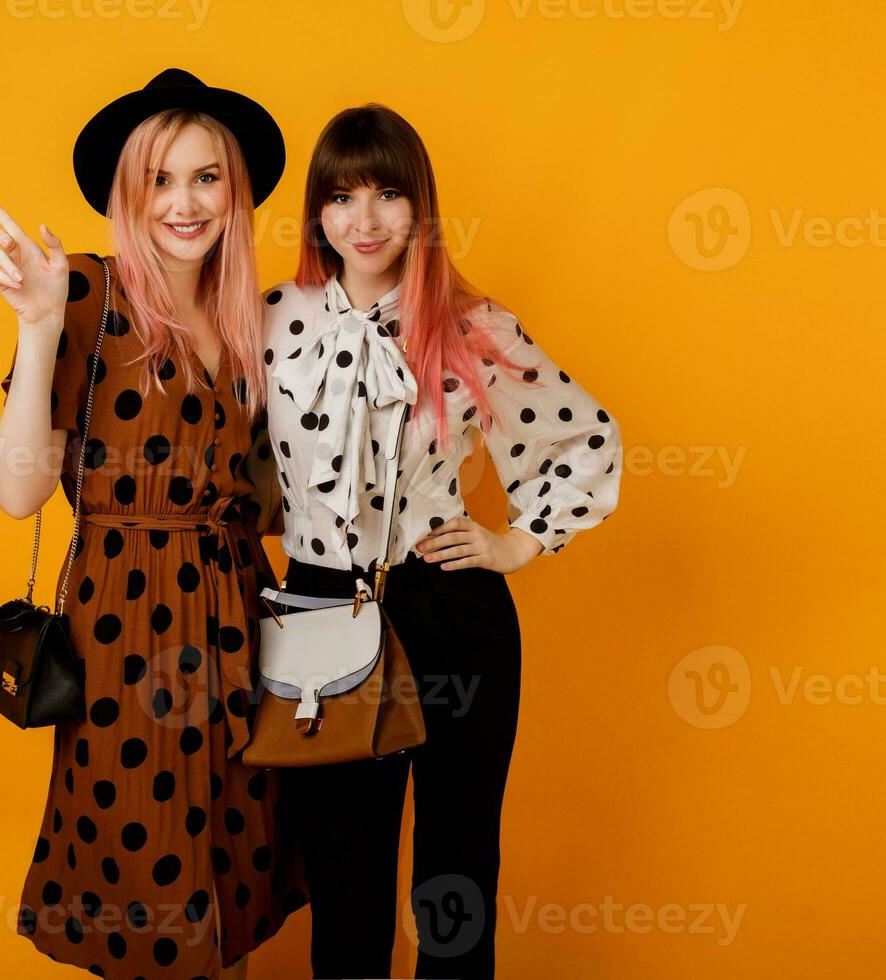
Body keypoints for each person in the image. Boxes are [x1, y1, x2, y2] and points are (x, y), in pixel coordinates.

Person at [254, 103, 623, 979]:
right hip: (318, 610)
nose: (365, 220)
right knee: (345, 878)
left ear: (420, 207)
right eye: (341, 198)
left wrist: (516, 542)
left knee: (456, 873)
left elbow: (585, 438)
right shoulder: (271, 320)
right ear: (317, 214)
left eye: (387, 194)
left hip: (448, 609)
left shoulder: (471, 326)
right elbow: (234, 458)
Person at [0, 68, 305, 978]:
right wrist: (40, 327)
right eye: (160, 179)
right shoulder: (83, 291)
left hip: (242, 624)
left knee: (230, 896)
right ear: (128, 193)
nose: (185, 201)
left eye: (206, 177)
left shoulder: (252, 317)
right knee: (146, 892)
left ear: (234, 191)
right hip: (128, 632)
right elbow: (17, 493)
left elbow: (276, 496)